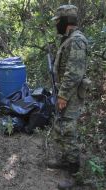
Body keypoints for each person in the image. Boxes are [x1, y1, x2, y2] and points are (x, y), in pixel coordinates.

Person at [49, 4, 88, 190]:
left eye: (58, 21)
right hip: (66, 93)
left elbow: (74, 73)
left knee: (68, 131)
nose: (56, 24)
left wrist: (63, 95)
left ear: (66, 21)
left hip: (71, 95)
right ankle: (66, 160)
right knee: (62, 126)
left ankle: (75, 174)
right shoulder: (69, 39)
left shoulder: (77, 41)